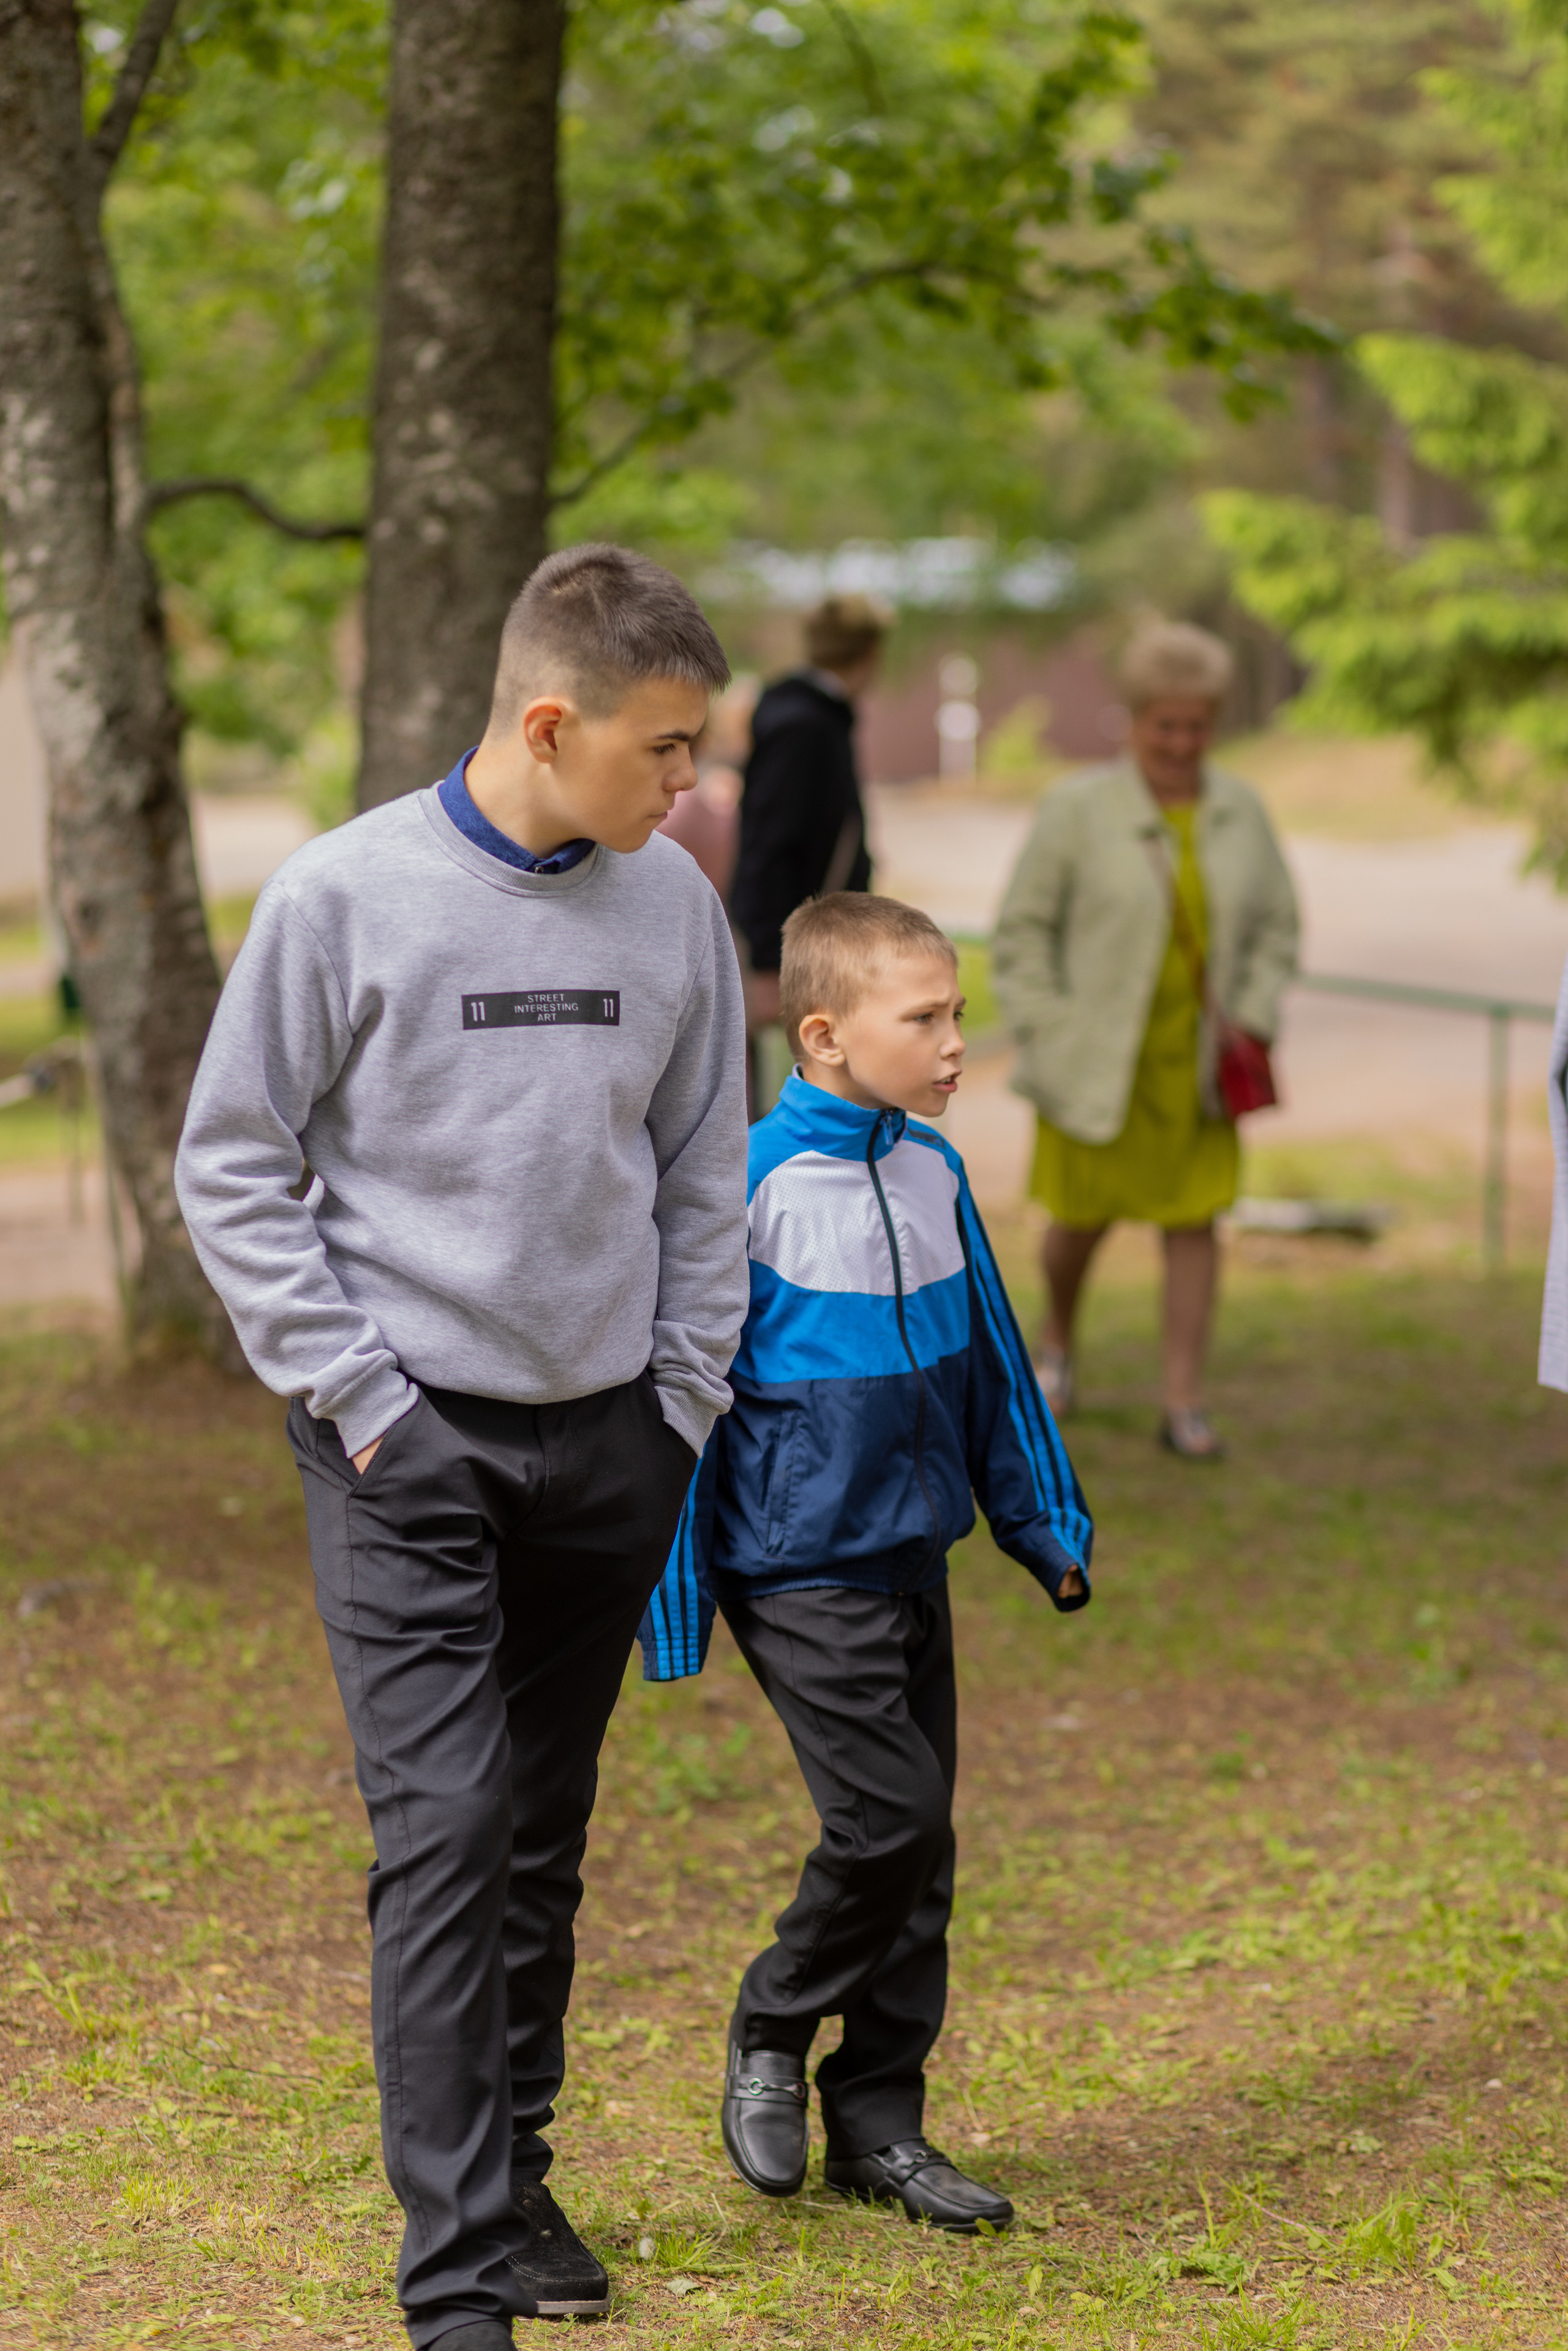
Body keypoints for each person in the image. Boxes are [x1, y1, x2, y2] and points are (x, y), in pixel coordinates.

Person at [174, 546, 750, 2351]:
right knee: (448, 1829)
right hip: (397, 1448)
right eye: (664, 749)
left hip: (611, 1444)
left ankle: (510, 2169)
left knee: (544, 1830)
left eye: (701, 751)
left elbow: (705, 1175)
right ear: (549, 719)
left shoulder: (671, 910)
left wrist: (676, 1409)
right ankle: (455, 2289)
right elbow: (230, 1162)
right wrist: (365, 1402)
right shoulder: (343, 896)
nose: (690, 786)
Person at [638, 893, 1092, 2231]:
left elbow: (995, 1358)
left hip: (911, 1556)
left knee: (921, 1847)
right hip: (792, 1562)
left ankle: (878, 2124)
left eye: (958, 1012)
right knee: (887, 1816)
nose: (957, 1042)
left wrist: (1040, 1525)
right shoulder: (748, 1186)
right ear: (824, 1033)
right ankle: (771, 2024)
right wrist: (673, 1609)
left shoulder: (933, 1173)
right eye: (928, 1018)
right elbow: (679, 1402)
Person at [992, 620, 1298, 1459]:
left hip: (1196, 1069)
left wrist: (1257, 1013)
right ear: (1133, 719)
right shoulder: (1077, 809)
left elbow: (1278, 926)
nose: (1181, 740)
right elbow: (1020, 935)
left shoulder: (1242, 811)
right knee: (1079, 1220)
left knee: (1196, 1221)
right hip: (1093, 1062)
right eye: (1165, 722)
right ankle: (1056, 1341)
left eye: (1197, 723)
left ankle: (1183, 1400)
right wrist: (1047, 1030)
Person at [729, 592, 890, 1036]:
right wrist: (768, 961)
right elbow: (769, 842)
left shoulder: (814, 717)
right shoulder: (805, 726)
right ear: (871, 652)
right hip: (798, 956)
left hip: (812, 945)